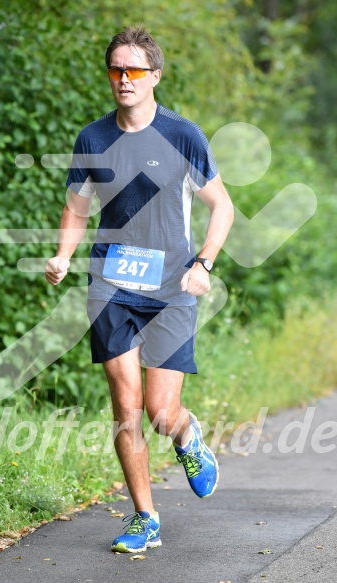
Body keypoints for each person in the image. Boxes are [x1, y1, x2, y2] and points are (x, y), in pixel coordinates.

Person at [46, 25, 234, 553]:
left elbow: (223, 206)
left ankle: (186, 432)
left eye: (134, 70)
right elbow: (77, 206)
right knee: (125, 406)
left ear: (155, 76)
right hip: (110, 283)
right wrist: (63, 254)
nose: (123, 79)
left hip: (173, 286)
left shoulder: (183, 134)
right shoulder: (93, 137)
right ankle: (144, 516)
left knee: (158, 410)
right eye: (115, 70)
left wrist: (205, 263)